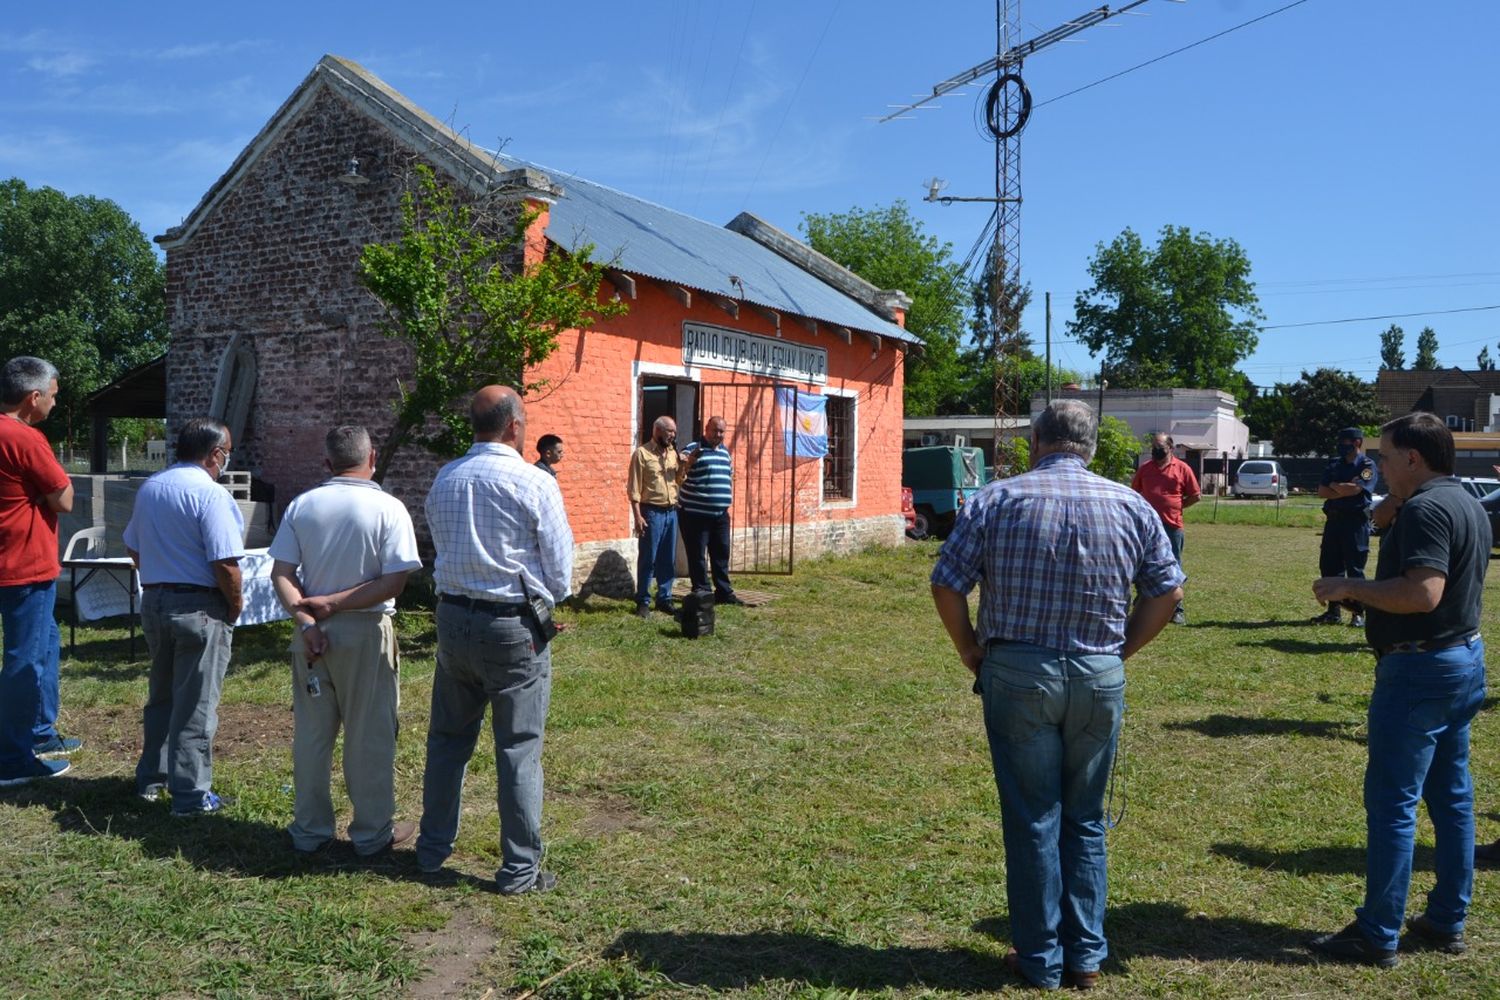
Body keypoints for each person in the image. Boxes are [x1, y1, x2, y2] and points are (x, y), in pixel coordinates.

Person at [930, 400, 1184, 991]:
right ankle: (1086, 957)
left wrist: (971, 651)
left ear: (1037, 441)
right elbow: (1166, 593)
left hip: (1018, 671)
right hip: (1097, 672)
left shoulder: (996, 498)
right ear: (1090, 446)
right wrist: (1121, 652)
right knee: (1085, 819)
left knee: (1032, 818)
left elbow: (947, 583)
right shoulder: (1130, 503)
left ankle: (1041, 959)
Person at [1309, 412, 1489, 967]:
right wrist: (1389, 506)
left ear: (1413, 457)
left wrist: (1348, 586)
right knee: (1453, 800)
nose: (1376, 466)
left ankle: (1377, 933)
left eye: (1385, 456)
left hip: (1419, 670)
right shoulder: (1463, 502)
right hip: (1461, 661)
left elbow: (1423, 592)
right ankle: (1445, 920)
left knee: (1393, 805)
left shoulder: (1429, 509)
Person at [418, 385, 573, 894]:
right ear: (514, 426)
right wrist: (542, 598)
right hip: (510, 626)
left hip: (452, 619)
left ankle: (432, 847)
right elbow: (561, 573)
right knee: (519, 747)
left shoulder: (445, 478)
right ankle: (520, 869)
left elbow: (439, 545)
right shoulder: (532, 481)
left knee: (446, 741)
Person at [268, 425, 422, 856]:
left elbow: (281, 573)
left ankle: (310, 829)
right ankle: (372, 833)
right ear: (372, 458)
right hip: (365, 630)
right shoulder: (387, 508)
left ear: (327, 463)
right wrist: (334, 605)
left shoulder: (303, 505)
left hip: (312, 635)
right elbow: (394, 581)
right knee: (369, 734)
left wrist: (306, 620)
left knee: (312, 736)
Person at [124, 418, 245, 815]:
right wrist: (235, 604)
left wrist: (158, 581)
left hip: (156, 601)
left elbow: (134, 547)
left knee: (161, 695)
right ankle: (191, 794)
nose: (227, 459)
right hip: (199, 606)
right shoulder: (211, 495)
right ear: (214, 454)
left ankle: (152, 778)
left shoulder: (151, 488)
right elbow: (225, 562)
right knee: (195, 702)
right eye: (226, 452)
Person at [0, 357, 78, 788]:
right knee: (24, 660)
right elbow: (63, 499)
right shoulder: (25, 438)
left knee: (44, 646)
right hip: (24, 565)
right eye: (52, 393)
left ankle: (39, 732)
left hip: (13, 561)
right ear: (33, 398)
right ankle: (12, 758)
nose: (54, 400)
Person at [1130, 431, 1200, 625]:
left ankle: (1176, 609)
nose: (1155, 451)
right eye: (1153, 447)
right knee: (1142, 563)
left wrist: (1177, 507)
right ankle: (1142, 600)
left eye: (1159, 448)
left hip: (1172, 525)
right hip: (1147, 527)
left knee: (1173, 565)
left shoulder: (1182, 468)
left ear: (1170, 448)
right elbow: (1134, 493)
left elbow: (1195, 495)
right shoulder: (1145, 469)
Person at [1311, 427, 1377, 627]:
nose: (1341, 445)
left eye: (1346, 441)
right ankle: (1333, 612)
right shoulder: (1334, 464)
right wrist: (1344, 488)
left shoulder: (1367, 465)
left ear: (1357, 443)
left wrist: (1337, 486)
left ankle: (1358, 614)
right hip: (1334, 521)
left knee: (1355, 568)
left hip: (1355, 522)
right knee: (1330, 566)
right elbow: (1322, 491)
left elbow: (1358, 489)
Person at [677, 415, 743, 606]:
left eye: (722, 431)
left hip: (720, 515)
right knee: (697, 555)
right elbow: (679, 476)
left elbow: (728, 476)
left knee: (721, 554)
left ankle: (723, 592)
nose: (718, 435)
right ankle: (702, 592)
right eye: (715, 430)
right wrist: (687, 462)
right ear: (706, 429)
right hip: (695, 515)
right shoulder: (692, 449)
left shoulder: (724, 452)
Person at [627, 416, 680, 618]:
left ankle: (665, 598)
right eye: (669, 431)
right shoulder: (642, 454)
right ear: (657, 430)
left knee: (668, 559)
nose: (672, 435)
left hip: (671, 511)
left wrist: (684, 466)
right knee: (648, 558)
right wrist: (638, 516)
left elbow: (678, 481)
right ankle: (643, 601)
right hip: (652, 512)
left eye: (674, 432)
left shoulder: (673, 453)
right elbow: (634, 488)